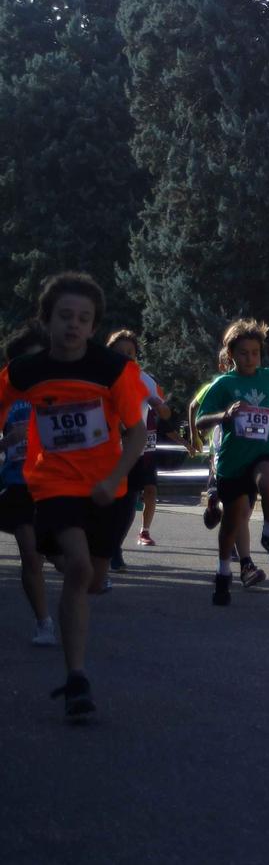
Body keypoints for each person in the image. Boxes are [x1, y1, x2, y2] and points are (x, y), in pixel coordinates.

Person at [0, 272, 149, 721]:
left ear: (94, 325)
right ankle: (77, 677)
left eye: (84, 319)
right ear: (47, 320)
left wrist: (114, 478)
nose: (74, 325)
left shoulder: (112, 369)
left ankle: (60, 563)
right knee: (80, 568)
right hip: (54, 483)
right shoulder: (26, 371)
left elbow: (138, 433)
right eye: (65, 316)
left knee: (92, 577)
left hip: (108, 487)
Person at [190, 320, 269, 605]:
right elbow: (200, 421)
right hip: (232, 461)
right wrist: (224, 415)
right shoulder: (224, 384)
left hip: (264, 451)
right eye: (244, 353)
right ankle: (224, 571)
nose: (251, 358)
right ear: (231, 355)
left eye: (255, 352)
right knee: (233, 521)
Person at [1, 329, 56, 645]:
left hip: (55, 482)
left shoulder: (59, 392)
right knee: (30, 554)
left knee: (65, 559)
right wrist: (8, 440)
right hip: (18, 482)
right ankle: (43, 622)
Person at [105, 330, 167, 552]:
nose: (125, 356)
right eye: (119, 352)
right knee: (106, 501)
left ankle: (115, 548)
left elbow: (165, 411)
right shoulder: (100, 377)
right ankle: (104, 544)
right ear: (109, 353)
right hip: (103, 450)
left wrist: (158, 405)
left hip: (134, 451)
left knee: (127, 503)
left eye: (130, 352)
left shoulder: (143, 379)